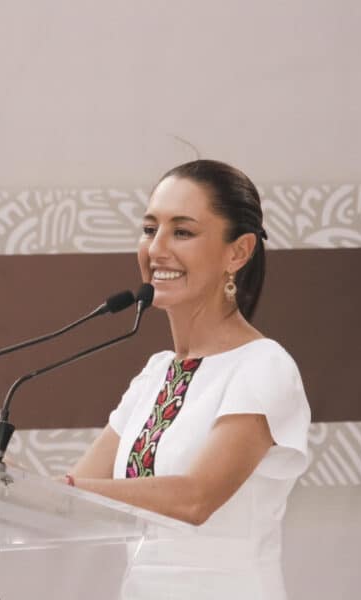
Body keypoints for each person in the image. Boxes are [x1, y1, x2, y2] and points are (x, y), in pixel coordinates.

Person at [66, 159, 311, 599]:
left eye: (182, 232)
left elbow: (194, 500)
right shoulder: (156, 373)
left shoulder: (263, 365)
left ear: (238, 252)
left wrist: (71, 489)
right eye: (148, 229)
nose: (156, 249)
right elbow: (74, 501)